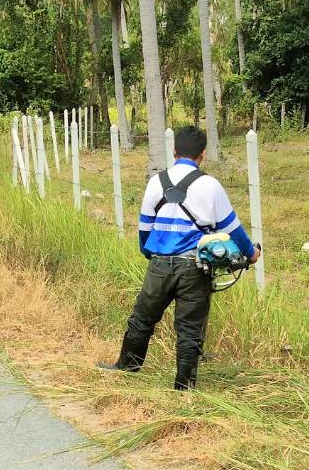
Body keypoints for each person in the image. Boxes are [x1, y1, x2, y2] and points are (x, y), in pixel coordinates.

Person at [97, 126, 260, 390]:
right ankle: (184, 386)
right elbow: (233, 229)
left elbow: (144, 231)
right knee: (189, 327)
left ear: (175, 152)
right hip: (195, 266)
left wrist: (151, 254)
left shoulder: (156, 182)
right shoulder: (211, 185)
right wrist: (252, 254)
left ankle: (127, 367)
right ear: (203, 154)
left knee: (142, 318)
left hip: (159, 264)